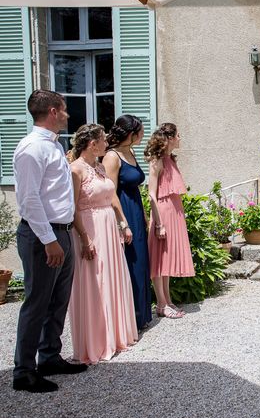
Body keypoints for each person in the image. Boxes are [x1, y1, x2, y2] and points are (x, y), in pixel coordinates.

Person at [12, 90, 87, 393]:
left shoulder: (53, 146)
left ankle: (50, 356)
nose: (69, 114)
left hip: (62, 231)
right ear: (54, 111)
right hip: (44, 235)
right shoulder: (31, 149)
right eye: (65, 109)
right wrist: (49, 240)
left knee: (58, 301)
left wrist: (64, 234)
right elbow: (29, 200)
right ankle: (23, 371)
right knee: (37, 302)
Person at [68, 124, 138, 364]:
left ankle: (114, 335)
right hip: (91, 228)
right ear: (92, 144)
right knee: (94, 282)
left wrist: (122, 222)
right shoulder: (76, 170)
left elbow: (112, 195)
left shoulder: (98, 166)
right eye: (102, 140)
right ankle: (95, 342)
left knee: (110, 280)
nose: (107, 143)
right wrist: (85, 238)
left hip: (108, 227)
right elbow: (73, 207)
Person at [103, 115, 152, 331]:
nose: (143, 134)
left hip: (136, 208)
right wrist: (122, 222)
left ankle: (140, 315)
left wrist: (144, 215)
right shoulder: (112, 156)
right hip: (122, 212)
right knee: (129, 263)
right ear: (131, 134)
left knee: (140, 261)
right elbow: (110, 192)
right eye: (140, 131)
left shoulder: (129, 152)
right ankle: (127, 317)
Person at [145, 123, 194, 319]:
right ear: (170, 138)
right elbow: (151, 194)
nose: (180, 138)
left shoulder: (169, 159)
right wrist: (158, 223)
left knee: (166, 259)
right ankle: (161, 303)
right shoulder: (157, 161)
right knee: (159, 259)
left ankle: (167, 300)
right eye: (178, 135)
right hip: (163, 213)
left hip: (174, 212)